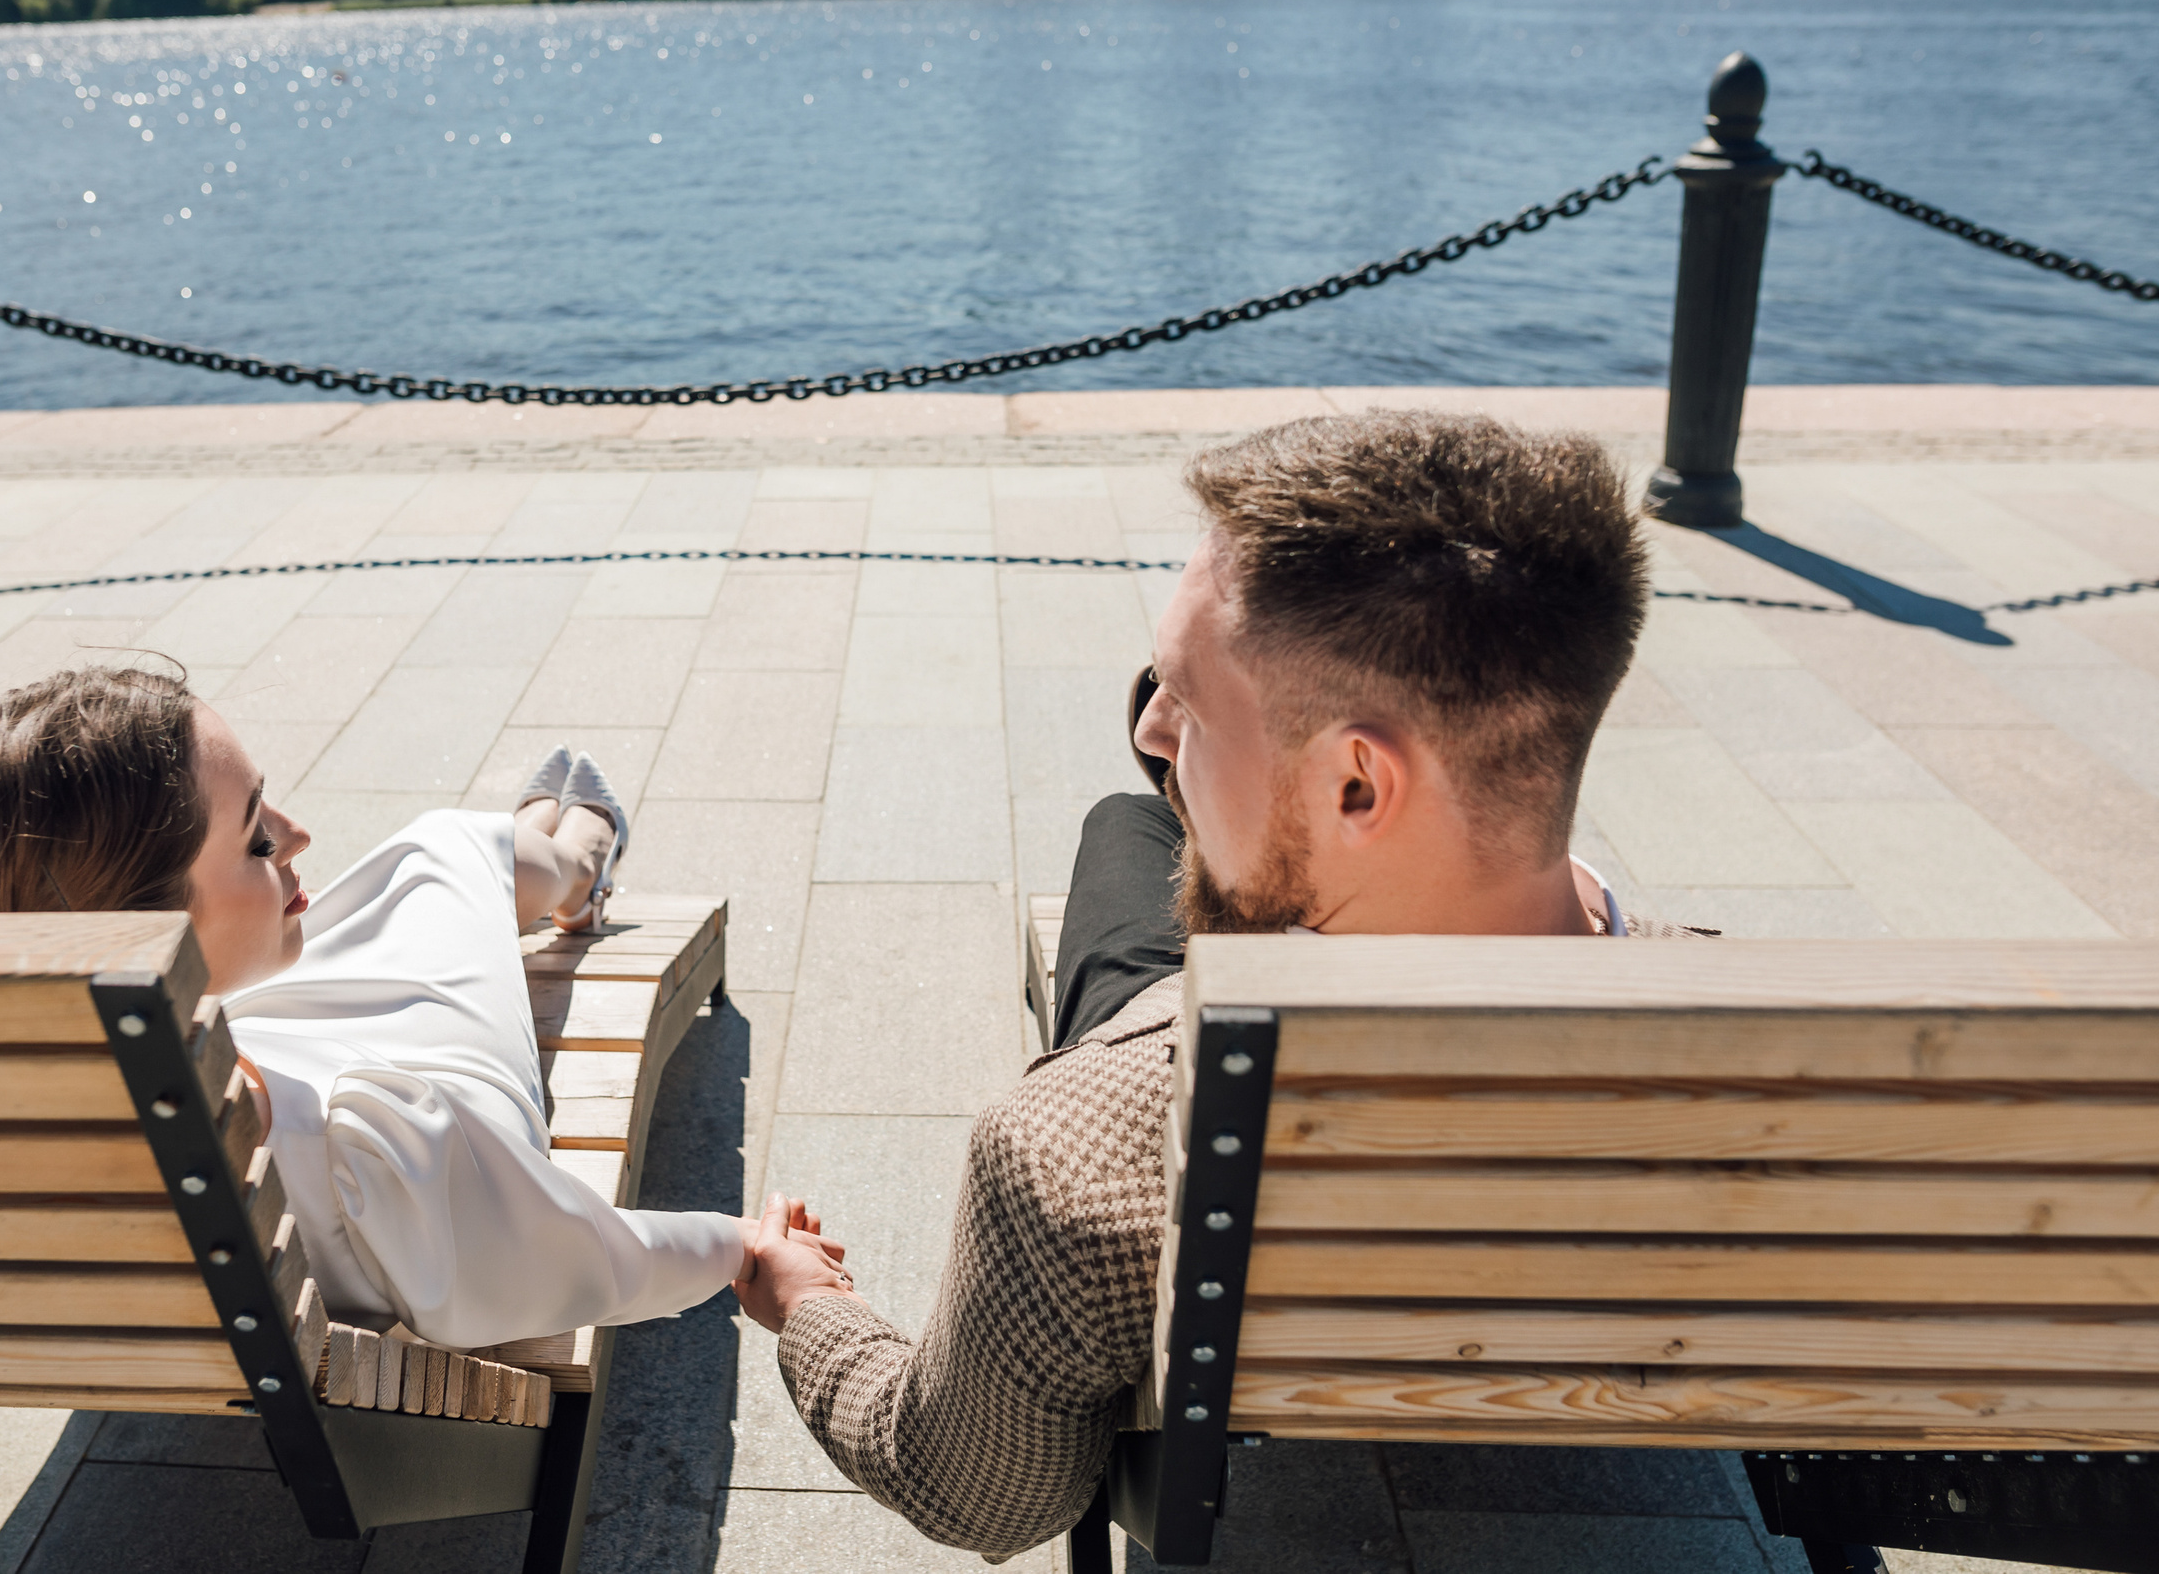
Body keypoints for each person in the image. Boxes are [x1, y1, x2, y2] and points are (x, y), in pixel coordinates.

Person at [732, 411, 1710, 1560]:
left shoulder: (1080, 1147)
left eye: (1187, 703)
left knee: (1126, 831)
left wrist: (807, 1305)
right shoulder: (1765, 1056)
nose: (1154, 723)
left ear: (1358, 785)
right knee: (1162, 820)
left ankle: (1204, 818)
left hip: (1172, 1055)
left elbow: (979, 1495)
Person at [0, 666, 844, 1350]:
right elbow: (568, 1254)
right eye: (256, 839)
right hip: (414, 1084)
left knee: (418, 871)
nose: (296, 833)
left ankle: (540, 849)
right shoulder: (367, 1147)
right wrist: (741, 1247)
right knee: (441, 850)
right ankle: (576, 859)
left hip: (270, 1046)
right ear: (148, 926)